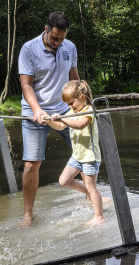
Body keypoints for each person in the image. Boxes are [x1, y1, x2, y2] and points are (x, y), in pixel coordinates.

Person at [18, 11, 80, 227]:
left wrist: (81, 105)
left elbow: (74, 80)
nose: (58, 42)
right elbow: (26, 85)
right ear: (46, 29)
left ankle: (90, 194)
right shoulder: (29, 49)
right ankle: (28, 214)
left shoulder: (69, 47)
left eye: (62, 38)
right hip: (35, 112)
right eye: (55, 38)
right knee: (31, 165)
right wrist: (37, 110)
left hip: (64, 110)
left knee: (87, 151)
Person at [42, 80, 106, 226]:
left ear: (82, 98)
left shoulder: (89, 110)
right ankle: (90, 195)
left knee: (91, 186)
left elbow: (80, 125)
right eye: (68, 104)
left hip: (89, 156)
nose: (70, 107)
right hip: (77, 156)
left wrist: (62, 118)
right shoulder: (72, 112)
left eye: (72, 103)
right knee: (64, 180)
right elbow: (59, 126)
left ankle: (99, 216)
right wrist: (48, 120)